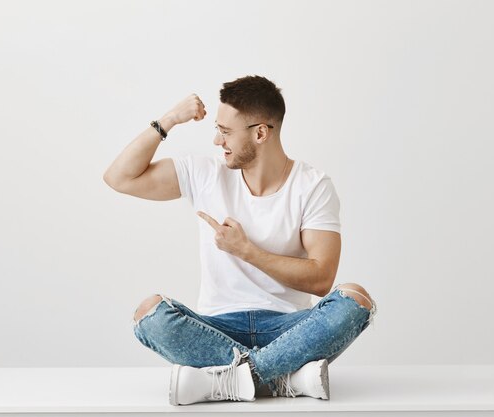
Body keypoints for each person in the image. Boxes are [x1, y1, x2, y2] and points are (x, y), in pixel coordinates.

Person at [103, 75, 377, 406]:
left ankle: (223, 381)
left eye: (226, 131)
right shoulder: (205, 174)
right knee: (150, 313)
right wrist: (169, 120)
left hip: (288, 330)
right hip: (216, 328)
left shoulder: (312, 185)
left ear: (260, 133)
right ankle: (283, 378)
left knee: (355, 300)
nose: (218, 141)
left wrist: (247, 251)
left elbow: (321, 280)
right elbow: (119, 178)